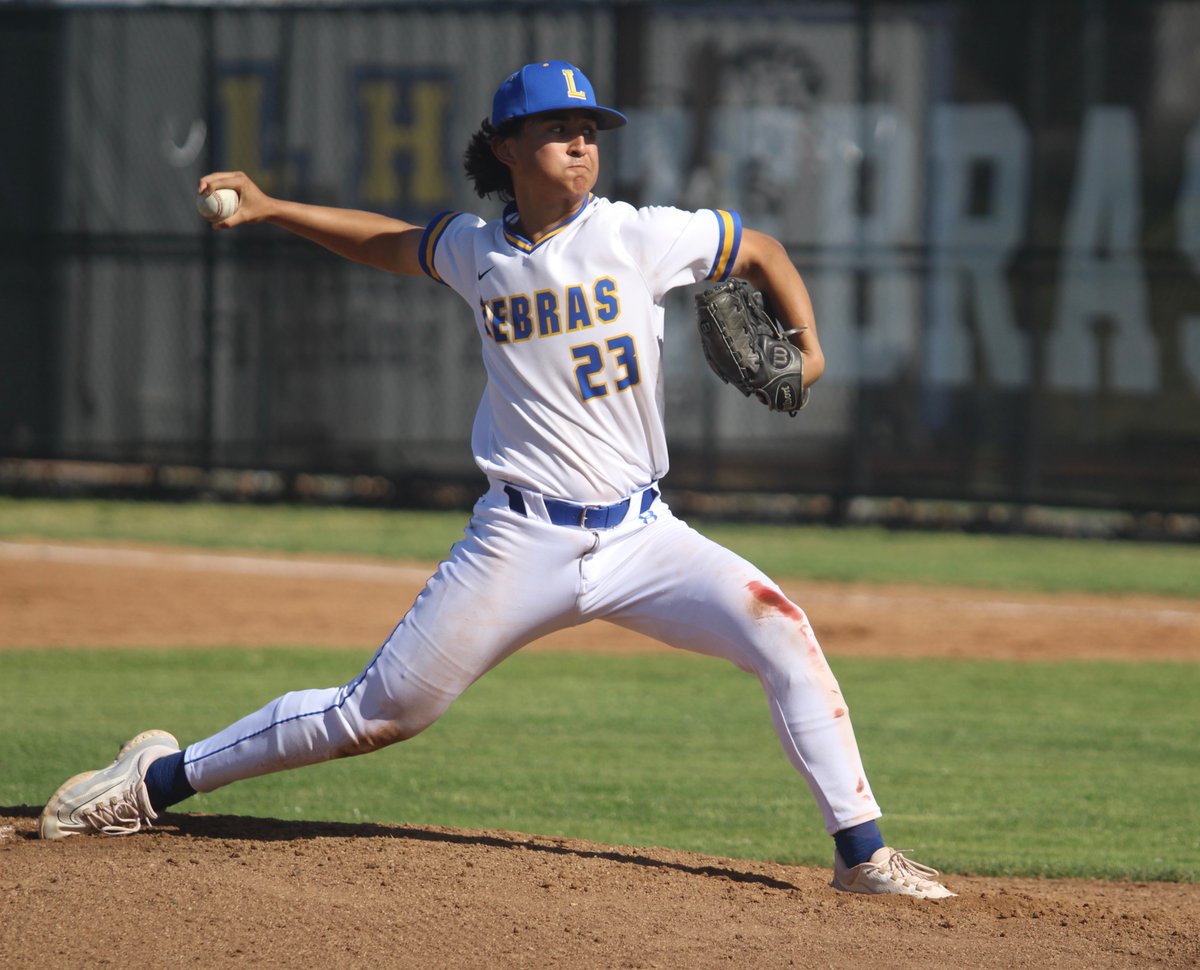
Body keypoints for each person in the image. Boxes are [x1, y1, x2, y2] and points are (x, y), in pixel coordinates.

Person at [39, 60, 953, 899]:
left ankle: (863, 854)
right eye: (560, 129)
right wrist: (274, 208)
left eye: (590, 128)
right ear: (509, 148)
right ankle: (154, 779)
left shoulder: (640, 236)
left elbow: (764, 252)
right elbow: (387, 242)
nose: (584, 143)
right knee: (380, 713)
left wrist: (811, 351)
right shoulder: (477, 251)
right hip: (522, 537)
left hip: (644, 536)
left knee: (780, 629)